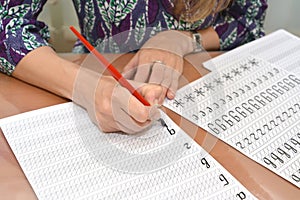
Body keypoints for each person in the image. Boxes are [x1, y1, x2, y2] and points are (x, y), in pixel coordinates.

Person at [0, 0, 268, 134]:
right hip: (94, 71)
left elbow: (250, 21)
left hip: (204, 80)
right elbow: (6, 25)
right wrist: (87, 87)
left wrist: (184, 39)